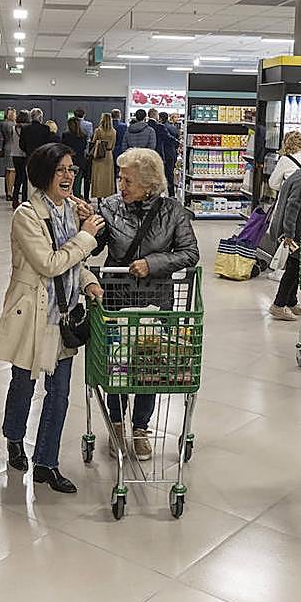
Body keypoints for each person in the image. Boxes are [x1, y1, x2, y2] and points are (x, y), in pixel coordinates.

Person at [0, 143, 105, 494]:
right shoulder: (26, 215)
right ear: (44, 175)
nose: (69, 176)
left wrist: (89, 283)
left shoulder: (72, 209)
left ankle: (46, 463)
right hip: (33, 314)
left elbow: (74, 265)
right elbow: (50, 264)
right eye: (61, 170)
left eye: (72, 169)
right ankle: (13, 438)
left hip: (64, 315)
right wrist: (86, 236)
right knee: (23, 383)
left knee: (59, 394)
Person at [90, 147, 199, 461]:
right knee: (117, 366)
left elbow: (190, 253)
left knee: (150, 364)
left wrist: (153, 263)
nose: (120, 186)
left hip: (157, 299)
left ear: (150, 185)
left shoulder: (174, 211)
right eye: (120, 178)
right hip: (116, 298)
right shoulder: (109, 206)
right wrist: (88, 227)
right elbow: (94, 249)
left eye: (128, 181)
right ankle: (116, 422)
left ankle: (140, 427)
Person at [264, 147, 301, 321]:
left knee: (296, 268)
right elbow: (292, 207)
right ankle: (278, 305)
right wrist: (289, 235)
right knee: (293, 269)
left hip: (296, 233)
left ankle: (291, 301)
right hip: (293, 235)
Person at [61, 116, 89, 198]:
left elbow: (62, 148)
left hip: (68, 162)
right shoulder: (83, 136)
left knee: (67, 182)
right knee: (77, 184)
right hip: (80, 162)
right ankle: (77, 201)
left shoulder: (65, 135)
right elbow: (84, 148)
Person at [91, 112, 117, 198]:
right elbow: (113, 145)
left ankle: (98, 198)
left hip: (99, 155)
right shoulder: (114, 132)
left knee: (98, 177)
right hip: (109, 155)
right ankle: (108, 195)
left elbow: (93, 142)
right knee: (108, 178)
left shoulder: (98, 130)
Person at [9, 109, 28, 209]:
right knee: (25, 178)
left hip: (15, 154)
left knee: (18, 177)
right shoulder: (27, 129)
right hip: (24, 155)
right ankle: (24, 200)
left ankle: (15, 199)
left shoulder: (13, 128)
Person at [157, 112, 181, 193]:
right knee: (170, 174)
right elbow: (177, 139)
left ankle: (160, 194)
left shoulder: (160, 128)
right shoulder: (173, 128)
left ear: (160, 118)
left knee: (160, 175)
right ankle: (171, 194)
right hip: (172, 153)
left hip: (162, 153)